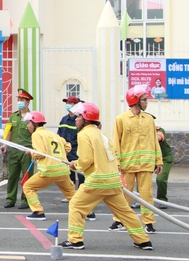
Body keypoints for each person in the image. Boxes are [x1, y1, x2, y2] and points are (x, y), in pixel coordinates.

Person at [60, 102, 153, 251]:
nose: (76, 119)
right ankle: (143, 241)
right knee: (125, 212)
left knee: (76, 205)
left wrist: (75, 165)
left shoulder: (84, 134)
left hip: (97, 181)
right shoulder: (101, 134)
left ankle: (75, 240)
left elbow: (86, 160)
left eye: (78, 116)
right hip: (113, 181)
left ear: (85, 119)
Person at [109, 85, 163, 233]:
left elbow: (154, 141)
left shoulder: (149, 120)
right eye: (144, 100)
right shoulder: (121, 119)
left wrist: (159, 160)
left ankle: (149, 222)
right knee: (124, 194)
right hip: (127, 165)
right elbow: (116, 142)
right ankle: (120, 220)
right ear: (135, 101)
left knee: (146, 195)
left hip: (146, 164)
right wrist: (117, 162)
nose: (147, 102)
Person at [22, 111, 76, 220]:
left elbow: (40, 153)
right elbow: (68, 147)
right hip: (63, 170)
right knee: (70, 193)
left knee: (28, 187)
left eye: (29, 123)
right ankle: (88, 213)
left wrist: (31, 152)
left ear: (34, 124)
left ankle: (38, 212)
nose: (28, 126)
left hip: (48, 170)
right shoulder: (52, 134)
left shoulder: (36, 134)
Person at [0, 88, 33, 209]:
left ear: (27, 102)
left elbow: (35, 134)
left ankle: (26, 200)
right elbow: (9, 131)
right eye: (18, 99)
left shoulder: (32, 117)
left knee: (27, 177)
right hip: (14, 151)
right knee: (12, 175)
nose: (19, 101)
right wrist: (5, 144)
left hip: (26, 151)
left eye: (22, 99)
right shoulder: (13, 116)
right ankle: (10, 199)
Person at [56, 96, 84, 200]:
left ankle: (81, 196)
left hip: (77, 151)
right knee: (69, 175)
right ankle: (71, 195)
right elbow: (59, 135)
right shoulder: (64, 119)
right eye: (67, 103)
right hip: (66, 152)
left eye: (70, 103)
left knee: (81, 174)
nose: (68, 105)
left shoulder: (79, 120)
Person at [156, 126, 173, 209]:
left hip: (165, 158)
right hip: (151, 158)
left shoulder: (159, 130)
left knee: (161, 179)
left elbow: (159, 137)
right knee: (142, 176)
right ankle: (140, 200)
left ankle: (162, 200)